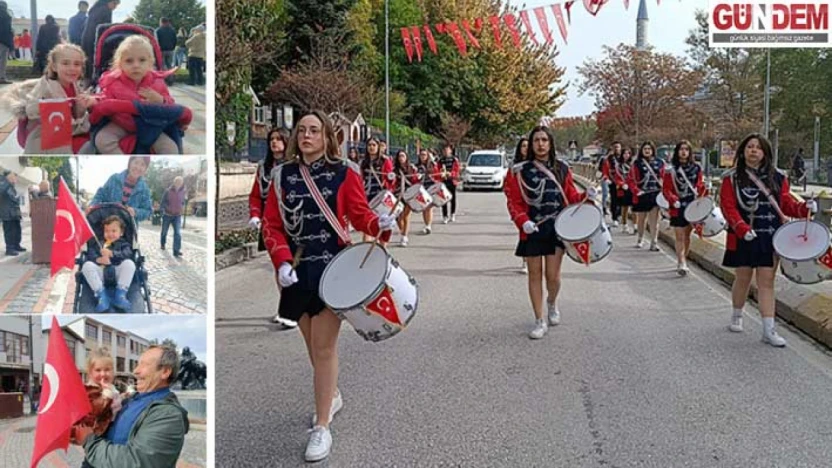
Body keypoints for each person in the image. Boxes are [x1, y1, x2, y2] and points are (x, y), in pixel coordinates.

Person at [261, 110, 395, 462]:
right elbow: (272, 225)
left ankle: (322, 426)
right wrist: (281, 261)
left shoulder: (345, 172)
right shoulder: (282, 175)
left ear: (326, 137)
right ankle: (331, 394)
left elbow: (360, 214)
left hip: (332, 270)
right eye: (302, 130)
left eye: (314, 130)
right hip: (295, 271)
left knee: (324, 348)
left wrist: (378, 223)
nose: (307, 136)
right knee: (311, 344)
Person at [720, 133, 815, 347]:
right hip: (743, 236)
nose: (753, 150)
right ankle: (737, 314)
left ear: (765, 152)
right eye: (749, 147)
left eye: (758, 147)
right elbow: (728, 206)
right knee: (743, 277)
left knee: (766, 281)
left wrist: (804, 208)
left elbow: (786, 203)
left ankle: (768, 330)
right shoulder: (731, 177)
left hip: (770, 236)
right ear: (743, 151)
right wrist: (741, 228)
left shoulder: (778, 177)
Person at [504, 126, 587, 339]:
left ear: (550, 143)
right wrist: (523, 221)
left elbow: (570, 196)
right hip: (532, 227)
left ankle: (551, 301)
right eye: (536, 140)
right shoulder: (519, 171)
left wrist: (587, 196)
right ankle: (539, 320)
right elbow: (514, 201)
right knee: (534, 274)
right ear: (531, 145)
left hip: (556, 228)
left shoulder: (562, 168)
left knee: (553, 276)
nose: (540, 144)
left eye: (544, 140)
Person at [74, 345, 189, 468]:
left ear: (165, 372)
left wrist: (89, 441)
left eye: (144, 365)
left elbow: (136, 462)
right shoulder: (132, 399)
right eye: (138, 364)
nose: (135, 371)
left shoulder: (168, 415)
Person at [94, 35, 183, 154]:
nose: (136, 65)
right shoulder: (112, 82)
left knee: (170, 148)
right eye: (129, 61)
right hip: (121, 123)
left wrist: (161, 100)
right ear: (120, 64)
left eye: (142, 60)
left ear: (150, 62)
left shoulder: (157, 82)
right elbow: (103, 99)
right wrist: (94, 101)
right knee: (102, 139)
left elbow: (171, 104)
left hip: (151, 125)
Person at [0, 44, 95, 154]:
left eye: (77, 64)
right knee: (90, 145)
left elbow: (74, 114)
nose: (72, 68)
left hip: (66, 131)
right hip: (43, 136)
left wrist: (81, 107)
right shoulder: (45, 89)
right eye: (65, 63)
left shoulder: (75, 86)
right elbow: (33, 111)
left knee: (96, 138)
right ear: (54, 67)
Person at [247, 128, 297, 329]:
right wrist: (255, 215)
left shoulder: (295, 165)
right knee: (279, 265)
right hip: (271, 224)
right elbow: (256, 195)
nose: (274, 142)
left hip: (294, 221)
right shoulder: (264, 168)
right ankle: (286, 308)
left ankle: (296, 308)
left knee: (295, 266)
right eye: (271, 139)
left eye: (278, 139)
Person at [662, 140, 706, 276]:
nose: (684, 152)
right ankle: (681, 262)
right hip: (677, 206)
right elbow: (666, 189)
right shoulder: (670, 170)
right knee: (679, 235)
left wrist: (703, 190)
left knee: (687, 235)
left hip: (692, 206)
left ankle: (684, 259)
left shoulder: (696, 168)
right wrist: (673, 200)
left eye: (686, 149)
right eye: (681, 149)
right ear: (677, 151)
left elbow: (699, 184)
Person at [81, 215, 135, 312]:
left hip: (118, 273)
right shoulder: (99, 244)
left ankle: (120, 294)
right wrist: (98, 259)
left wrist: (112, 254)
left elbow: (128, 253)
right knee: (86, 266)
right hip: (101, 274)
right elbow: (91, 254)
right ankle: (101, 295)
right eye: (107, 231)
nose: (110, 234)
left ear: (121, 233)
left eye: (114, 231)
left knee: (129, 264)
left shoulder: (124, 244)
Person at [90, 156, 153, 222]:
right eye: (136, 162)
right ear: (130, 163)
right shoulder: (114, 179)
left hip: (129, 226)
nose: (138, 167)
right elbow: (100, 195)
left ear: (145, 169)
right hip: (107, 222)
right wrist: (92, 207)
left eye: (142, 165)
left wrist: (135, 212)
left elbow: (148, 211)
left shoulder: (145, 190)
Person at [629, 141, 665, 251]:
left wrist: (663, 186)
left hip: (655, 194)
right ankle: (640, 239)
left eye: (649, 149)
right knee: (641, 219)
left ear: (653, 150)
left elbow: (664, 176)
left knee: (654, 221)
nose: (647, 151)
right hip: (642, 194)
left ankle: (654, 242)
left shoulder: (660, 162)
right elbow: (631, 179)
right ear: (642, 150)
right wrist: (636, 191)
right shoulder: (637, 163)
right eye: (645, 149)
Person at [360, 136, 394, 242]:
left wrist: (389, 180)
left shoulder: (385, 160)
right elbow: (361, 179)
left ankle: (383, 249)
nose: (371, 147)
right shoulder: (364, 162)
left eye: (374, 145)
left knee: (384, 225)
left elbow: (391, 178)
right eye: (369, 145)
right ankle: (367, 248)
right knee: (368, 224)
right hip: (368, 196)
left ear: (378, 146)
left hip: (381, 196)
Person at [506, 137, 529, 274]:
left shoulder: (536, 164)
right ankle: (525, 261)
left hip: (535, 203)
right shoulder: (514, 166)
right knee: (524, 232)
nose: (526, 148)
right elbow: (507, 185)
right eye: (523, 146)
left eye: (528, 145)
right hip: (520, 205)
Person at [81, 0, 120, 80]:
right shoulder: (106, 10)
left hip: (87, 40)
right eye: (114, 3)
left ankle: (89, 81)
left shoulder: (94, 10)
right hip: (96, 41)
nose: (115, 7)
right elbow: (106, 29)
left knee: (89, 64)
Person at [84, 348, 124, 418]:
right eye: (98, 370)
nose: (103, 374)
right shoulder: (89, 391)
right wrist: (106, 395)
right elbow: (96, 413)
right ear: (90, 373)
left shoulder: (112, 388)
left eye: (107, 369)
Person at [392, 149, 419, 247]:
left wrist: (418, 177)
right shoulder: (394, 169)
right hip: (398, 195)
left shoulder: (412, 168)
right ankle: (403, 231)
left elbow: (415, 181)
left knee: (406, 216)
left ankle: (404, 236)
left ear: (406, 157)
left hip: (409, 194)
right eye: (399, 156)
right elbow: (392, 182)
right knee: (398, 217)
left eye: (403, 156)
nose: (401, 158)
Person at [160, 176, 186, 258]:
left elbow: (183, 202)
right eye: (177, 182)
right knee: (164, 232)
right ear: (174, 182)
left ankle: (176, 251)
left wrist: (182, 207)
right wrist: (165, 210)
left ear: (182, 183)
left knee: (177, 233)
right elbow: (162, 202)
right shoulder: (168, 191)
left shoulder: (183, 192)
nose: (179, 183)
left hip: (177, 216)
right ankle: (162, 244)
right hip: (167, 215)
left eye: (180, 182)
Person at [415, 148, 440, 235]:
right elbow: (414, 177)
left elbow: (437, 173)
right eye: (421, 155)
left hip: (430, 188)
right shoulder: (417, 166)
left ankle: (428, 225)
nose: (423, 156)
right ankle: (426, 225)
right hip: (421, 189)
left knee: (429, 207)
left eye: (424, 155)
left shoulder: (432, 164)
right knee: (424, 208)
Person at [0, 170, 24, 256]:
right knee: (9, 232)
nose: (15, 179)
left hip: (14, 213)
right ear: (9, 176)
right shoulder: (2, 182)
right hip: (7, 213)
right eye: (13, 176)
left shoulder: (11, 186)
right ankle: (9, 249)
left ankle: (16, 245)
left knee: (17, 230)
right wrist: (8, 182)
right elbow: (2, 191)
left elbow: (13, 198)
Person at [601, 141, 623, 227]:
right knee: (614, 199)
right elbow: (605, 170)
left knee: (622, 200)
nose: (616, 149)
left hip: (623, 183)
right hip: (613, 182)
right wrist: (607, 179)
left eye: (618, 147)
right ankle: (614, 218)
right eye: (615, 147)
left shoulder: (623, 158)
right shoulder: (608, 159)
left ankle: (620, 214)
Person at [614, 147, 635, 234]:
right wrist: (622, 184)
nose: (626, 155)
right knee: (624, 207)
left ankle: (635, 225)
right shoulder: (618, 166)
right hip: (623, 188)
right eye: (625, 153)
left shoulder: (633, 165)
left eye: (628, 153)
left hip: (632, 188)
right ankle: (624, 225)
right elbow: (616, 178)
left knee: (635, 208)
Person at [438, 143, 460, 223]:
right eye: (444, 150)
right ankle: (445, 216)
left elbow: (457, 170)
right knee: (443, 199)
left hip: (452, 181)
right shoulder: (440, 160)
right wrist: (441, 173)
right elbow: (438, 169)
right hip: (443, 181)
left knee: (452, 198)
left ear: (450, 150)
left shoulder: (454, 159)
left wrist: (451, 174)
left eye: (447, 150)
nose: (446, 151)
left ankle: (452, 214)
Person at [0, 2, 11, 85]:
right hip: (4, 41)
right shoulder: (7, 16)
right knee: (3, 60)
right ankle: (2, 77)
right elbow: (8, 30)